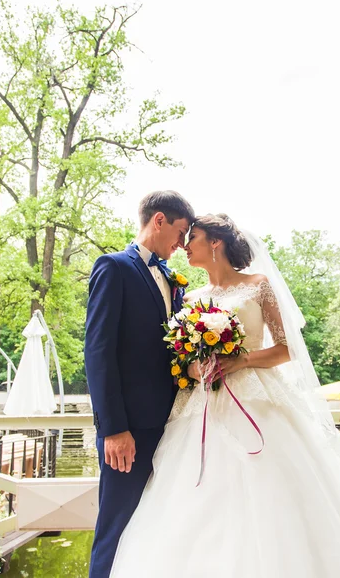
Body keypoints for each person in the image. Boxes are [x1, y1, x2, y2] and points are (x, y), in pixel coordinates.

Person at [110, 213, 340, 577]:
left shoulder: (258, 285)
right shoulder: (190, 296)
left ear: (216, 242)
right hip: (202, 405)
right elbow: (182, 360)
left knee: (271, 492)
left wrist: (241, 360)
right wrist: (196, 368)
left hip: (257, 398)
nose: (184, 245)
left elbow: (288, 348)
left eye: (192, 237)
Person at [85, 190, 195, 578]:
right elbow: (98, 353)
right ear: (159, 220)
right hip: (129, 431)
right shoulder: (113, 267)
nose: (182, 245)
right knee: (116, 526)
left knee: (159, 528)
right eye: (181, 233)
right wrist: (114, 429)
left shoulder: (171, 278)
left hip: (174, 427)